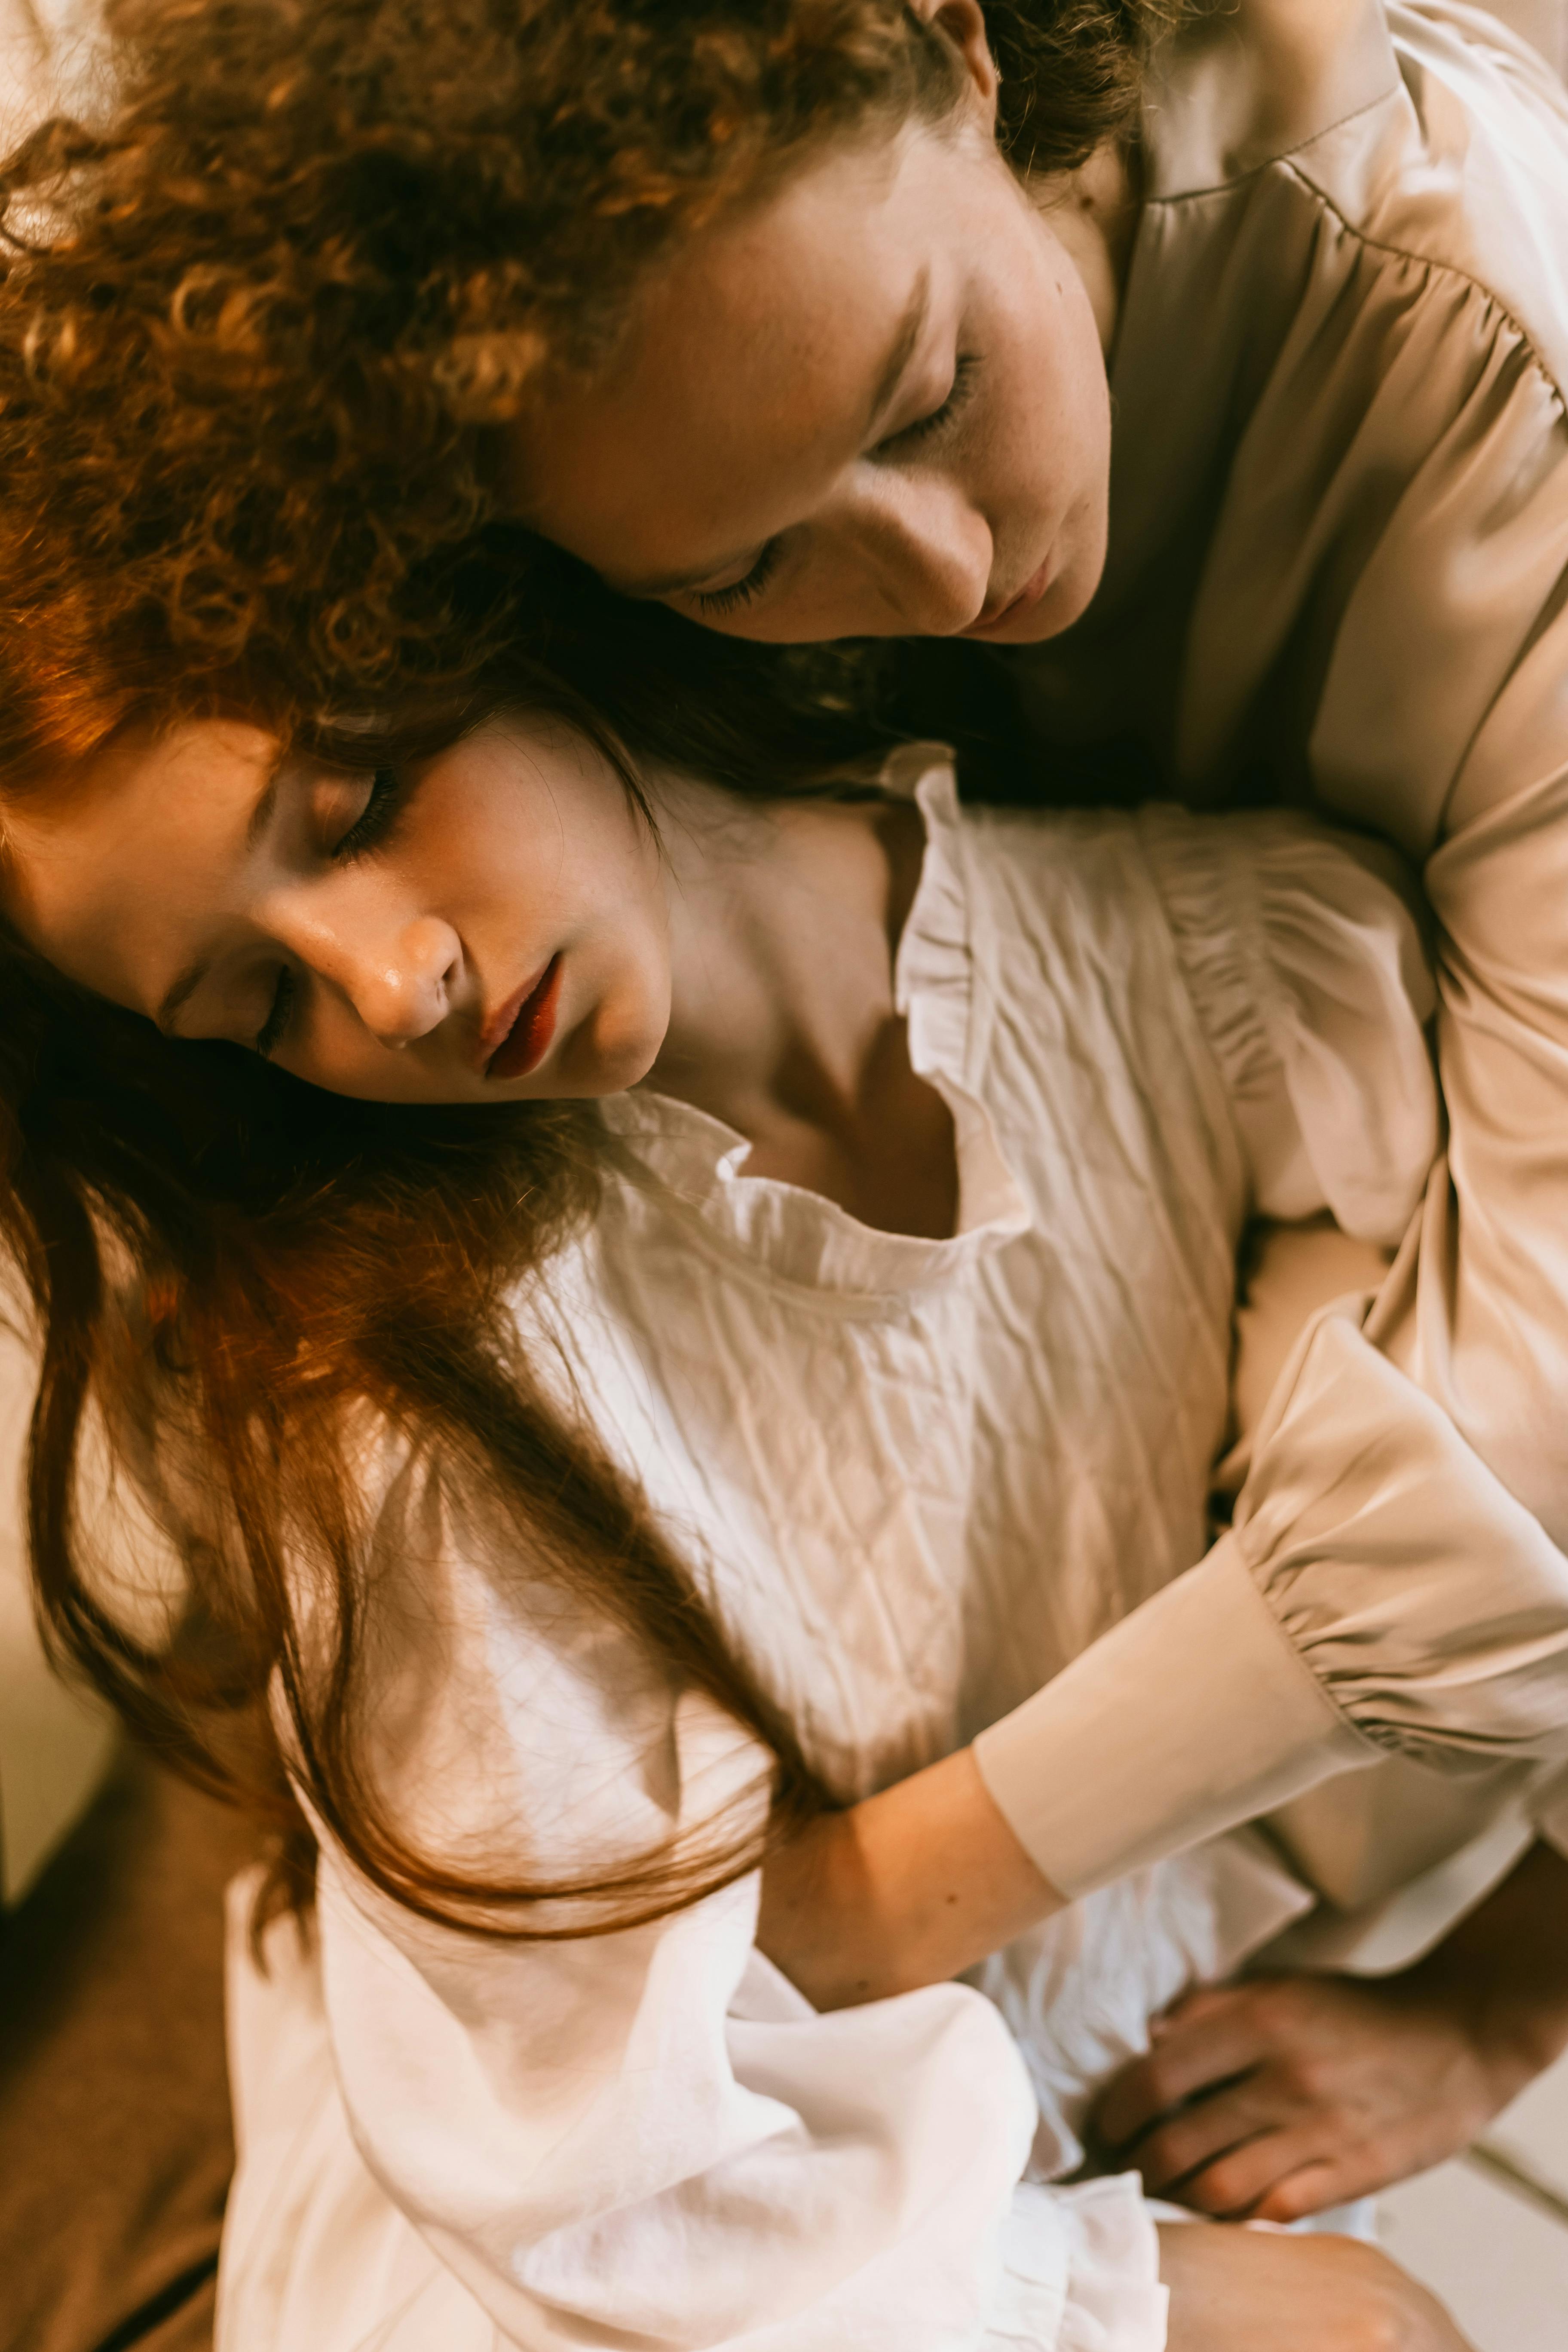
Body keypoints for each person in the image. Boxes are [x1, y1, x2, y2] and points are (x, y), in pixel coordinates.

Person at [10, 0, 1568, 2221]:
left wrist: (1491, 1993)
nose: (947, 580)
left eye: (929, 392)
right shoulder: (531, 463)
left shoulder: (1492, 392)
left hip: (1180, 1756)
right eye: (737, 573)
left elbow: (1536, 1439)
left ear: (948, 37)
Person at [0, 525, 1474, 2348]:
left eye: (362, 797)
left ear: (473, 619)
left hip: (1104, 2058)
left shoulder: (1245, 968)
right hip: (661, 2248)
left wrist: (1489, 2008)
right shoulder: (400, 1387)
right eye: (260, 1000)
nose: (392, 989)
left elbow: (1505, 1551)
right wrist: (1125, 2297)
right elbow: (604, 2185)